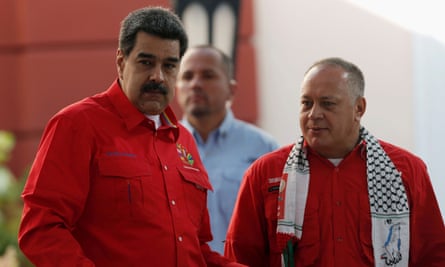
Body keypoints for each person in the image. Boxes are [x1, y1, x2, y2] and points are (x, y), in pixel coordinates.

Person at [18, 7, 246, 267]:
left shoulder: (183, 139)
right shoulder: (77, 125)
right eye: (146, 62)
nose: (157, 76)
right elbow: (40, 229)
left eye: (169, 65)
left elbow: (198, 249)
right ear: (121, 61)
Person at [224, 57, 445, 266]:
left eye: (327, 104)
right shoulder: (266, 173)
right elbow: (240, 257)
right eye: (306, 103)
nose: (314, 114)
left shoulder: (405, 171)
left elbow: (433, 256)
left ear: (359, 108)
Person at [176, 44, 280, 253]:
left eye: (208, 75)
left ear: (231, 90)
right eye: (187, 76)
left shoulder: (263, 149)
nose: (196, 84)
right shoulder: (160, 145)